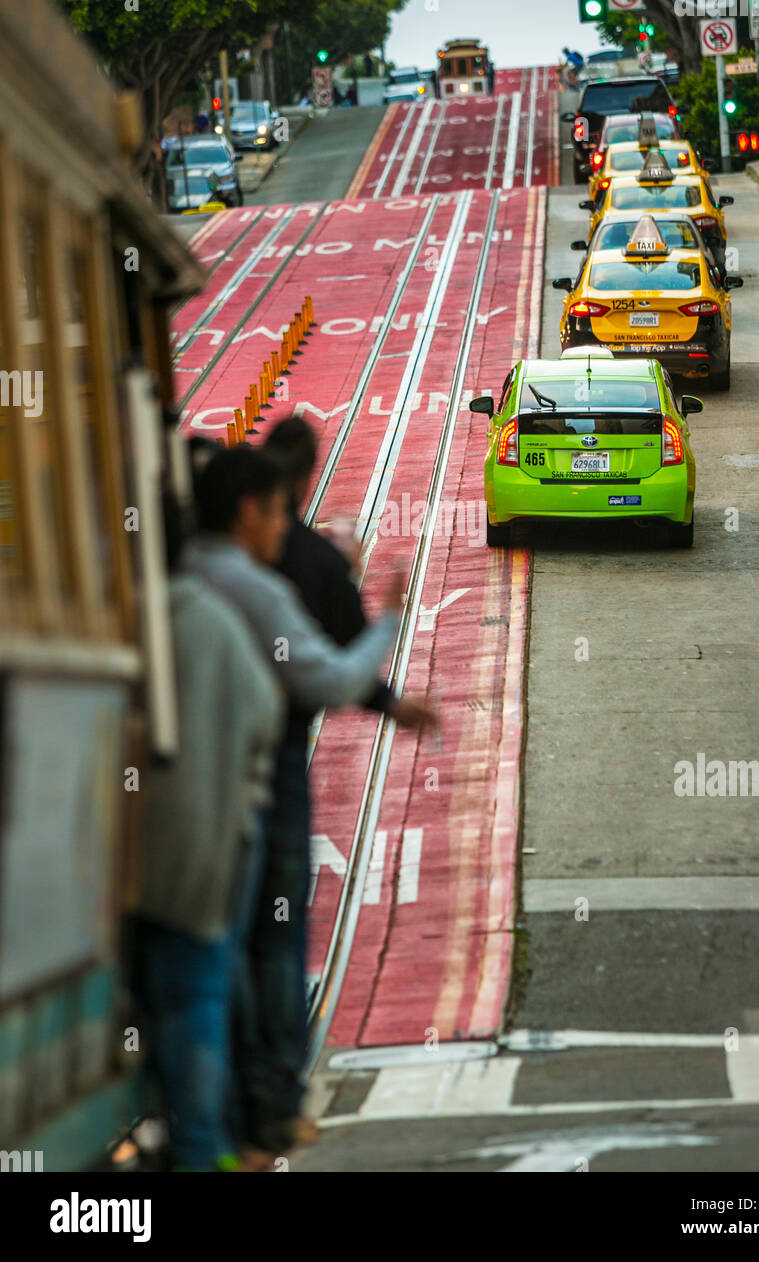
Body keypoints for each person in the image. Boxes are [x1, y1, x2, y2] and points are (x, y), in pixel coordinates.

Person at [187, 446, 403, 1159]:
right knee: (261, 943)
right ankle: (265, 1111)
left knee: (210, 957)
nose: (288, 529)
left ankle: (229, 1122)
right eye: (280, 514)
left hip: (182, 793)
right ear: (249, 511)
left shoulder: (181, 577)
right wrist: (388, 624)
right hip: (248, 785)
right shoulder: (250, 588)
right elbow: (329, 675)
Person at [243, 416, 434, 1150]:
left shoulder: (215, 566)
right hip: (275, 767)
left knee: (229, 938)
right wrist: (393, 696)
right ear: (307, 476)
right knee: (280, 933)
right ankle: (278, 1101)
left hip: (206, 771)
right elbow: (340, 665)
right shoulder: (309, 563)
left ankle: (240, 1100)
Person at [129, 491, 283, 1172]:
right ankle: (205, 1146)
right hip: (208, 843)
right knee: (200, 991)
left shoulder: (122, 615)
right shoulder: (209, 619)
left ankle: (193, 1139)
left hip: (128, 857)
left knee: (165, 994)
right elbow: (264, 711)